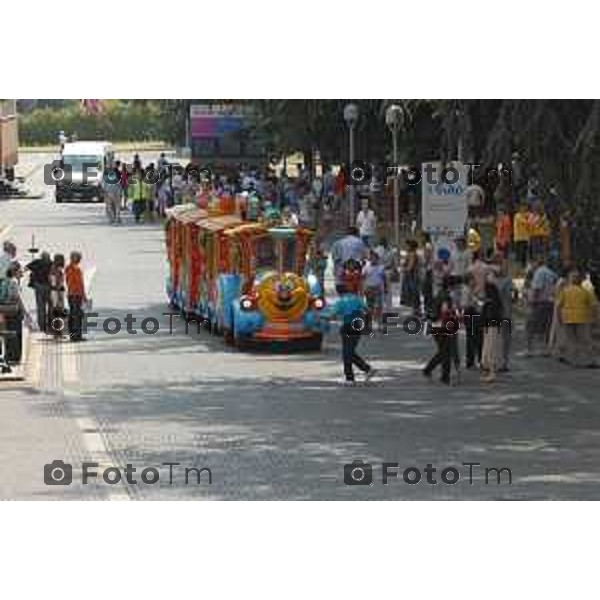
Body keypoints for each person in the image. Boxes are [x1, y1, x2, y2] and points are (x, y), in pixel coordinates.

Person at [321, 287, 376, 386]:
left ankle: (350, 378)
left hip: (347, 328)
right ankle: (367, 369)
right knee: (350, 352)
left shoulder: (340, 302)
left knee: (347, 354)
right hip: (357, 327)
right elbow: (368, 310)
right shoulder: (357, 299)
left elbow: (331, 315)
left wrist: (320, 316)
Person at [556, 270, 597, 367]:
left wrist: (559, 318)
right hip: (582, 318)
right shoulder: (585, 292)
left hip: (567, 318)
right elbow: (593, 305)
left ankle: (574, 361)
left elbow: (558, 306)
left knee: (571, 340)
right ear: (580, 280)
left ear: (570, 280)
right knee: (586, 340)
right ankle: (590, 361)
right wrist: (594, 317)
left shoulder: (565, 291)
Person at [423, 279, 460, 385]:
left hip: (435, 326)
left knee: (443, 351)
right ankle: (444, 377)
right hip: (442, 327)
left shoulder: (439, 294)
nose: (457, 289)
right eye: (455, 287)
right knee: (446, 352)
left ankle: (428, 370)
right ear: (450, 287)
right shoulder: (446, 297)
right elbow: (445, 312)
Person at [525, 256, 557, 356]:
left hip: (540, 302)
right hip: (550, 302)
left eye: (531, 263)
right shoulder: (550, 272)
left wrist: (532, 302)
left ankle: (529, 349)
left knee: (530, 325)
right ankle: (546, 349)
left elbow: (537, 289)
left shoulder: (539, 272)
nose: (531, 266)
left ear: (535, 263)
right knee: (546, 326)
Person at [480, 274, 503, 383]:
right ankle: (491, 372)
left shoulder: (490, 303)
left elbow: (488, 316)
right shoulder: (495, 302)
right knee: (490, 350)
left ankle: (492, 373)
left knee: (491, 350)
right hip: (493, 327)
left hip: (491, 327)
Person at [331, 227, 368, 295]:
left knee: (343, 293)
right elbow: (365, 257)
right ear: (356, 233)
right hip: (355, 273)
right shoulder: (360, 242)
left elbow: (335, 258)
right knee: (355, 292)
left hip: (342, 273)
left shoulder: (339, 243)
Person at [26, 251, 52, 333]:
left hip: (39, 286)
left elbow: (26, 268)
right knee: (51, 305)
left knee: (40, 307)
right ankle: (50, 324)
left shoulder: (37, 262)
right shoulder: (51, 263)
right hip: (48, 287)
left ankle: (42, 327)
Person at [65, 251, 87, 342]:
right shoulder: (75, 269)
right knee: (77, 316)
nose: (80, 260)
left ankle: (72, 335)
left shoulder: (68, 268)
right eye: (79, 258)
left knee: (72, 316)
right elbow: (79, 284)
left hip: (71, 294)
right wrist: (84, 296)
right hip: (76, 295)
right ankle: (76, 336)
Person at [495, 258, 513, 372]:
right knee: (502, 337)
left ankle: (503, 362)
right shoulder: (506, 281)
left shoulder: (493, 280)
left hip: (502, 312)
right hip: (502, 312)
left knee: (504, 337)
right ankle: (501, 362)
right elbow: (511, 296)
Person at [362, 252, 385, 323]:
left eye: (375, 258)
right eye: (371, 258)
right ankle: (369, 320)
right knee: (369, 305)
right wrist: (363, 289)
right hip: (369, 288)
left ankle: (378, 320)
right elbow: (363, 278)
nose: (373, 260)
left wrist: (386, 288)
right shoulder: (366, 267)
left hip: (378, 288)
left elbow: (384, 278)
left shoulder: (381, 267)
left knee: (378, 305)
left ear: (377, 259)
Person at [48, 254, 66, 338]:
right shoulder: (54, 270)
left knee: (57, 313)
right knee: (56, 313)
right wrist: (59, 295)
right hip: (55, 294)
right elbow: (54, 283)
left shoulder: (55, 269)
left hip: (56, 293)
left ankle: (58, 332)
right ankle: (57, 333)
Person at [513, 204, 531, 268]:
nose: (524, 208)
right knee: (519, 253)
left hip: (525, 237)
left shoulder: (526, 215)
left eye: (525, 207)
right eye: (522, 207)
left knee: (524, 253)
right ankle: (518, 267)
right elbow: (526, 223)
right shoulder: (517, 216)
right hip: (519, 238)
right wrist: (529, 218)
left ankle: (523, 266)